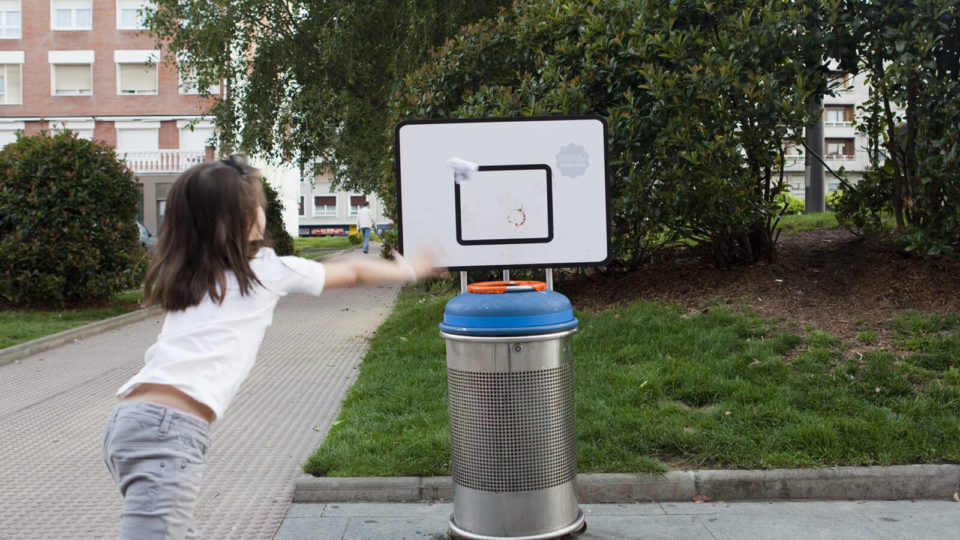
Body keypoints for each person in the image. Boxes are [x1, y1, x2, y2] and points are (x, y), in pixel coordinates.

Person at [101, 155, 440, 539]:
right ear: (243, 221)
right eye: (256, 206)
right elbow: (354, 271)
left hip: (128, 421)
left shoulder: (192, 274)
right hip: (170, 431)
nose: (262, 211)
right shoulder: (264, 269)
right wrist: (410, 270)